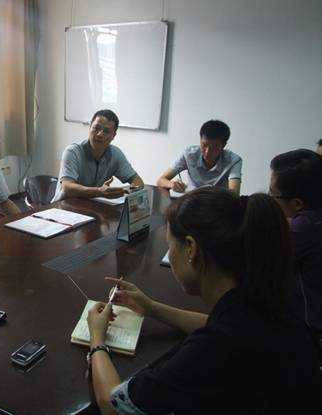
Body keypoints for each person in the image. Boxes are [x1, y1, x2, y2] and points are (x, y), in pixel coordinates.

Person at [86, 187, 320, 414]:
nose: (170, 251)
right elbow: (212, 324)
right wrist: (152, 307)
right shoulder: (263, 303)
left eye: (170, 245)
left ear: (191, 249)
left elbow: (112, 405)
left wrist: (97, 338)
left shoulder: (213, 349)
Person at [270, 149, 322, 334]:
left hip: (309, 332)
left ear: (297, 204)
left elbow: (261, 262)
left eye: (273, 195)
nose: (270, 200)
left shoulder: (302, 228)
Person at [51, 109, 145, 203]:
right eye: (96, 128)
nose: (100, 134)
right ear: (90, 128)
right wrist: (100, 192)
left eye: (106, 131)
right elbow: (68, 187)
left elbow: (137, 181)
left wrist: (126, 194)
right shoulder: (73, 152)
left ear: (113, 136)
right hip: (62, 206)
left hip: (89, 206)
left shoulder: (115, 154)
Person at [157, 120, 242, 195]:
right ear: (200, 140)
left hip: (218, 203)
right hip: (191, 200)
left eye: (214, 147)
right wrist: (172, 184)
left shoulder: (234, 161)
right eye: (204, 145)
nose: (207, 152)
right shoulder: (189, 154)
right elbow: (161, 180)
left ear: (223, 145)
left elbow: (234, 194)